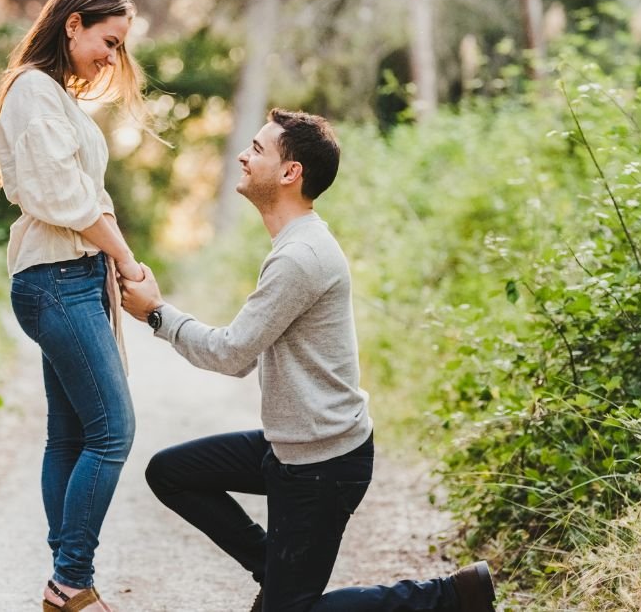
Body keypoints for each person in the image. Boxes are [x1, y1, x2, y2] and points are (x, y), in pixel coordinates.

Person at [119, 109, 497, 612]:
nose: (242, 155)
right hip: (290, 449)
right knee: (171, 472)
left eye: (256, 149)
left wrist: (157, 314)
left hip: (325, 464)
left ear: (290, 172)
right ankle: (277, 571)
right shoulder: (293, 246)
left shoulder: (302, 257)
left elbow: (233, 354)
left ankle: (451, 596)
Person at [0, 0, 148, 610]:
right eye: (108, 42)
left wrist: (116, 255)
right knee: (113, 430)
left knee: (73, 434)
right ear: (73, 23)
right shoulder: (31, 90)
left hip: (68, 276)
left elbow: (82, 201)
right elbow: (71, 201)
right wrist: (127, 257)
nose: (112, 58)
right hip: (57, 279)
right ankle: (71, 583)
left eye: (119, 48)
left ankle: (65, 577)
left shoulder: (50, 95)